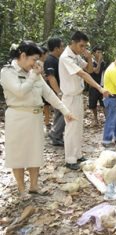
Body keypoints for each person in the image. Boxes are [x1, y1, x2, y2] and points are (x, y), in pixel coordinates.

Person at [0, 41, 74, 199]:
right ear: (23, 56)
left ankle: (34, 186)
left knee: (35, 153)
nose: (37, 63)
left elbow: (48, 94)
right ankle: (21, 189)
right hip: (17, 117)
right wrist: (34, 76)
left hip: (35, 117)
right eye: (34, 59)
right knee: (18, 155)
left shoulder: (33, 72)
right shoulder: (8, 72)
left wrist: (65, 111)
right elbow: (20, 92)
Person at [60, 31, 109, 170]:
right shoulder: (66, 57)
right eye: (81, 46)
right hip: (69, 97)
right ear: (73, 42)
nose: (83, 49)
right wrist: (100, 88)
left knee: (78, 127)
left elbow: (90, 69)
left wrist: (88, 58)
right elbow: (82, 73)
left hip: (78, 96)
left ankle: (77, 155)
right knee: (71, 128)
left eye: (85, 46)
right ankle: (70, 159)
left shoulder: (76, 55)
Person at [45, 37, 65, 146]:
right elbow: (51, 77)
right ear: (56, 48)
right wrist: (59, 92)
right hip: (56, 92)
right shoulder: (50, 60)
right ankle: (55, 133)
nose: (63, 48)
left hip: (58, 91)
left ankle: (57, 136)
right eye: (62, 46)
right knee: (65, 112)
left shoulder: (57, 59)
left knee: (59, 113)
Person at [89, 46, 106, 126]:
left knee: (104, 103)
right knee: (93, 104)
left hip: (102, 85)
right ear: (94, 53)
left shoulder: (103, 62)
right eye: (98, 52)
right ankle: (95, 119)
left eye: (101, 52)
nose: (100, 54)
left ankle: (107, 119)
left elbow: (103, 73)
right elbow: (96, 71)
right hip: (93, 85)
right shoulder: (90, 62)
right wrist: (99, 61)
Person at [38, 47, 51, 130]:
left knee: (46, 105)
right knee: (41, 105)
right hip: (39, 87)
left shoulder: (47, 62)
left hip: (47, 86)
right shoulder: (38, 63)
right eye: (47, 53)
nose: (48, 55)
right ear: (43, 54)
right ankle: (43, 123)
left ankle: (47, 122)